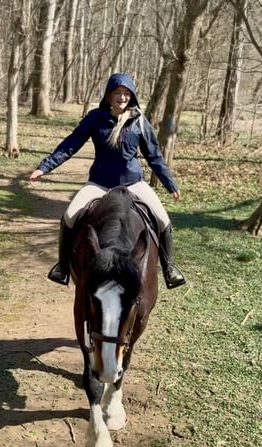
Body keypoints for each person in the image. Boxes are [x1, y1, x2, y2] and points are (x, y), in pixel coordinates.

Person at [29, 73, 186, 289]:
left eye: (126, 93)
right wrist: (44, 167)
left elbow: (154, 156)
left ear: (132, 96)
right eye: (117, 93)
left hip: (133, 183)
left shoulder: (139, 121)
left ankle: (169, 269)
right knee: (69, 217)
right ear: (109, 96)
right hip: (100, 184)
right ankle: (63, 267)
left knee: (163, 219)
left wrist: (170, 183)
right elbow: (71, 144)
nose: (122, 97)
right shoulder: (95, 118)